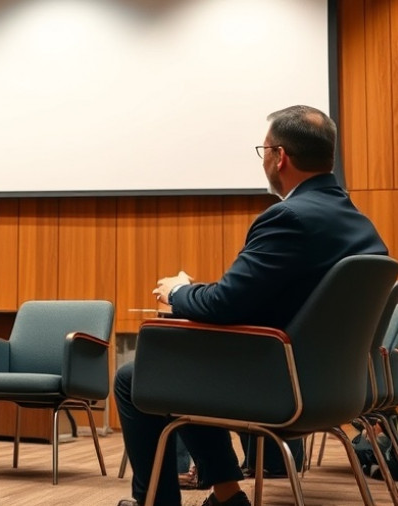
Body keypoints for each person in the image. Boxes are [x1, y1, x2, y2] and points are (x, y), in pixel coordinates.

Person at [114, 105, 388, 506]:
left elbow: (224, 304)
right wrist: (201, 294)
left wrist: (177, 292)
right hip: (338, 391)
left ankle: (156, 502)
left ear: (280, 157)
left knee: (137, 375)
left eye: (264, 152)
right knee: (186, 368)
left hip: (281, 387)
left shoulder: (289, 217)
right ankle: (226, 497)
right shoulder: (361, 226)